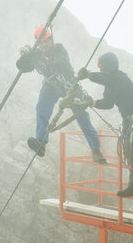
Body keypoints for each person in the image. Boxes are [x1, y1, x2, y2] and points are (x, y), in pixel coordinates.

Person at [16, 25, 106, 163]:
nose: (44, 44)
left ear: (51, 40)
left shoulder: (59, 49)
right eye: (41, 43)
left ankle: (96, 149)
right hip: (51, 85)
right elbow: (23, 67)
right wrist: (26, 58)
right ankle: (41, 141)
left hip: (69, 85)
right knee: (42, 107)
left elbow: (59, 62)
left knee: (81, 116)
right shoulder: (38, 55)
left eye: (46, 41)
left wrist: (34, 55)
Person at [77, 52, 133, 202]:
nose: (101, 69)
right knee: (129, 151)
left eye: (102, 66)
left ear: (107, 66)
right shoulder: (111, 82)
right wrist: (93, 103)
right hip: (132, 119)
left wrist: (89, 75)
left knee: (132, 152)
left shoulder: (118, 78)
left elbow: (106, 80)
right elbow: (108, 103)